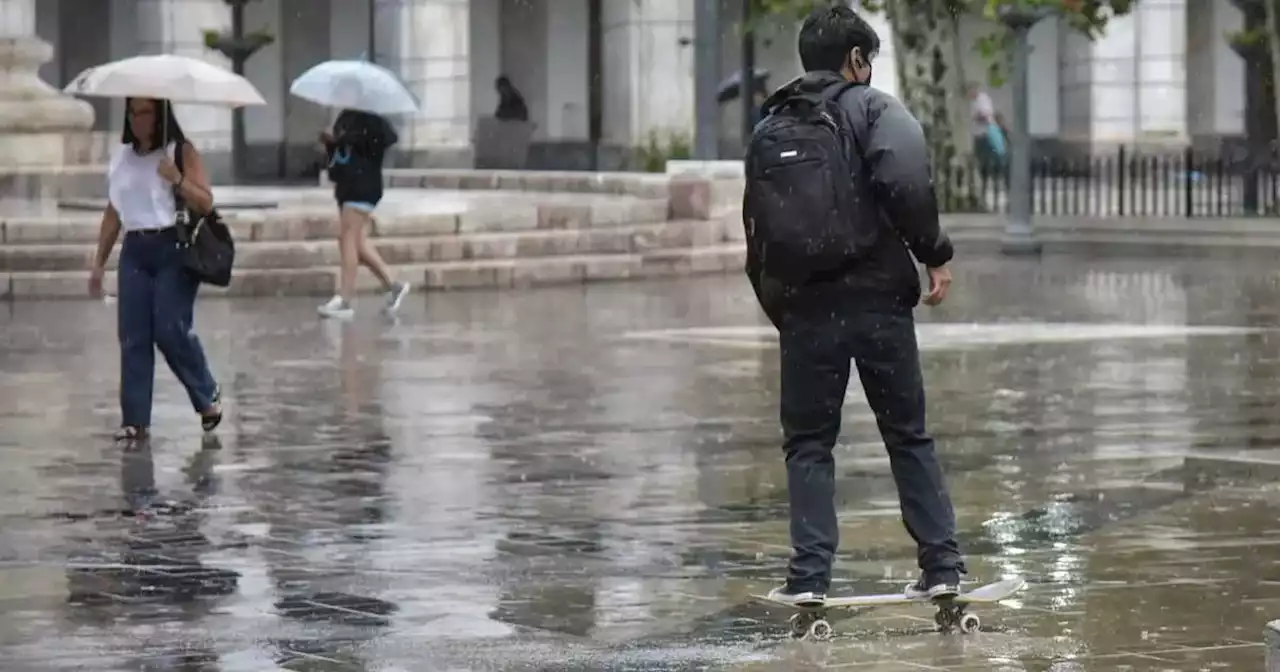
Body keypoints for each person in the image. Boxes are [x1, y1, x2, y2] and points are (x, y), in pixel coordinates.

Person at [745, 5, 966, 607]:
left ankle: (809, 577)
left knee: (809, 445)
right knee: (908, 436)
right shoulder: (873, 108)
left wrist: (784, 309)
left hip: (806, 311)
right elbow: (906, 182)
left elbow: (755, 234)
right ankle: (942, 566)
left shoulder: (770, 126)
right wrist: (934, 253)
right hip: (876, 304)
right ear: (857, 60)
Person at [88, 97, 223, 445]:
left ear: (160, 114)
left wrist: (177, 179)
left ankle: (206, 392)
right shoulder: (122, 157)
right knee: (133, 337)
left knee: (169, 329)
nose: (137, 120)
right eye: (132, 113)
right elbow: (114, 212)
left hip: (173, 248)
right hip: (135, 250)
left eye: (144, 112)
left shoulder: (180, 151)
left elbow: (206, 202)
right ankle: (135, 421)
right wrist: (99, 262)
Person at [317, 107, 410, 319]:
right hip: (346, 187)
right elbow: (340, 153)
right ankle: (393, 285)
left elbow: (377, 144)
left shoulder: (374, 121)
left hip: (363, 186)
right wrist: (331, 143)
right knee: (356, 242)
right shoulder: (346, 117)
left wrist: (349, 139)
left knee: (347, 237)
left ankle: (345, 299)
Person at [968, 83, 1008, 177]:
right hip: (979, 134)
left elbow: (985, 116)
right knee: (982, 157)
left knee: (989, 156)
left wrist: (976, 117)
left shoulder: (982, 99)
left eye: (969, 92)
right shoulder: (973, 102)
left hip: (985, 134)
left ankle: (996, 173)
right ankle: (988, 174)